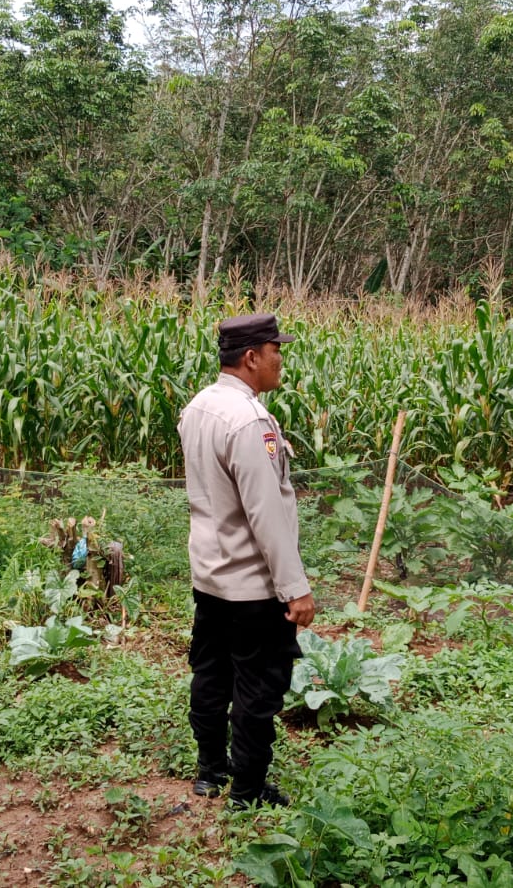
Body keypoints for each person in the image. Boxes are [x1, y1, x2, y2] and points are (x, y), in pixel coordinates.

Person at [178, 312, 317, 809]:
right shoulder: (249, 420)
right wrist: (295, 588)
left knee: (211, 674)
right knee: (258, 687)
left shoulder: (199, 407)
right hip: (252, 586)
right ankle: (247, 790)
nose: (281, 360)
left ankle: (210, 772)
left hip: (210, 576)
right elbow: (266, 513)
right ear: (252, 357)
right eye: (276, 351)